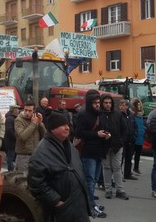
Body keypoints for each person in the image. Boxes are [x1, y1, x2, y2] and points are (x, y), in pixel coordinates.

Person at [28, 111, 92, 222]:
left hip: (79, 207)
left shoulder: (70, 146)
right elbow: (36, 184)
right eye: (62, 125)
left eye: (68, 125)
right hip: (62, 211)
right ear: (52, 129)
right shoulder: (41, 152)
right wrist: (57, 202)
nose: (67, 128)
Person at [75, 89, 108, 218]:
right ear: (90, 103)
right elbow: (79, 133)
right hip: (88, 152)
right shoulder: (84, 114)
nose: (97, 105)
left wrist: (105, 133)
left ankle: (91, 203)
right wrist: (96, 134)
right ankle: (91, 206)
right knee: (89, 180)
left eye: (98, 102)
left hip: (98, 151)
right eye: (95, 103)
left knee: (93, 179)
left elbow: (101, 127)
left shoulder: (98, 113)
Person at [99, 94, 129, 200]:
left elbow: (125, 129)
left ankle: (120, 190)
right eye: (106, 103)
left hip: (117, 145)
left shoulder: (117, 114)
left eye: (110, 103)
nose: (108, 105)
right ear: (102, 103)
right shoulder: (99, 115)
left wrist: (121, 141)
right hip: (104, 145)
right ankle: (108, 190)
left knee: (117, 168)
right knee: (106, 167)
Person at [14, 100, 45, 173]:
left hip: (35, 156)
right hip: (23, 156)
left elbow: (45, 136)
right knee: (22, 180)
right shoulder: (19, 120)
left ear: (34, 111)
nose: (27, 113)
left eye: (30, 111)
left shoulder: (36, 119)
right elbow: (22, 136)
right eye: (26, 110)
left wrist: (40, 124)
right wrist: (33, 124)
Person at [120, 99, 138, 180]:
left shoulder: (131, 115)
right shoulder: (119, 115)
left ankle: (127, 174)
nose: (121, 107)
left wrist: (135, 135)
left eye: (123, 105)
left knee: (129, 158)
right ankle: (119, 175)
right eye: (120, 105)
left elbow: (135, 126)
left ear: (127, 106)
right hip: (122, 141)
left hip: (131, 140)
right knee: (121, 159)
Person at [130, 98, 145, 175]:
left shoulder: (141, 115)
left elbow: (141, 125)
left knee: (138, 154)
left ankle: (136, 167)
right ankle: (128, 169)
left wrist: (144, 130)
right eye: (137, 105)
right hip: (134, 138)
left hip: (140, 137)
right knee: (130, 154)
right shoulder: (132, 115)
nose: (139, 106)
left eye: (139, 105)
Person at [5, 104, 20, 171]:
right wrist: (16, 138)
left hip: (13, 142)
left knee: (12, 157)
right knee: (10, 157)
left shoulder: (13, 117)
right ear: (13, 110)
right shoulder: (10, 118)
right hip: (11, 142)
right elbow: (9, 130)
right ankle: (10, 171)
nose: (18, 111)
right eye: (17, 109)